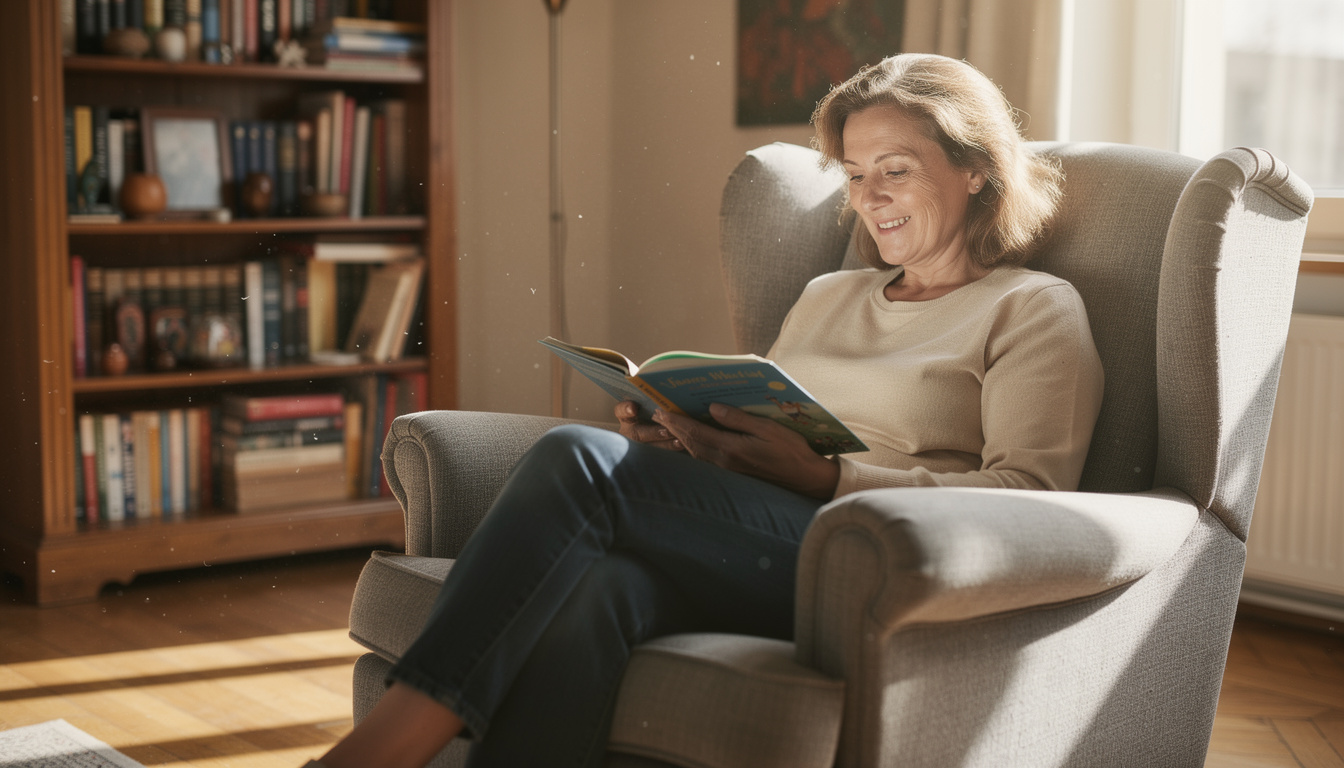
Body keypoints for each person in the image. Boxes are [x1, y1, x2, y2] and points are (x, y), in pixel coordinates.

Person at [306, 52, 1104, 768]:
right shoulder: (830, 295)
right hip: (758, 534)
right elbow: (777, 427)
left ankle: (375, 757)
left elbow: (1036, 500)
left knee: (577, 461)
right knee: (598, 591)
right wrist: (690, 437)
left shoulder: (1032, 308)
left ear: (975, 168)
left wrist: (832, 478)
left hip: (871, 560)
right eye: (856, 175)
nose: (871, 197)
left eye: (895, 168)